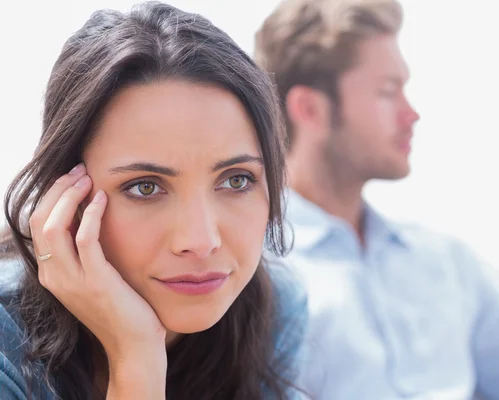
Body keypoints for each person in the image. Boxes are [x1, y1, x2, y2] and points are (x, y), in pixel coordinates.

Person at [255, 0, 499, 398]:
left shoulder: (447, 263)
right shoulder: (253, 275)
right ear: (310, 109)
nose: (411, 114)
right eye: (388, 92)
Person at [0, 2, 307, 399]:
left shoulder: (273, 309)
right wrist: (136, 361)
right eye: (145, 187)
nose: (201, 240)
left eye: (236, 180)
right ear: (64, 196)